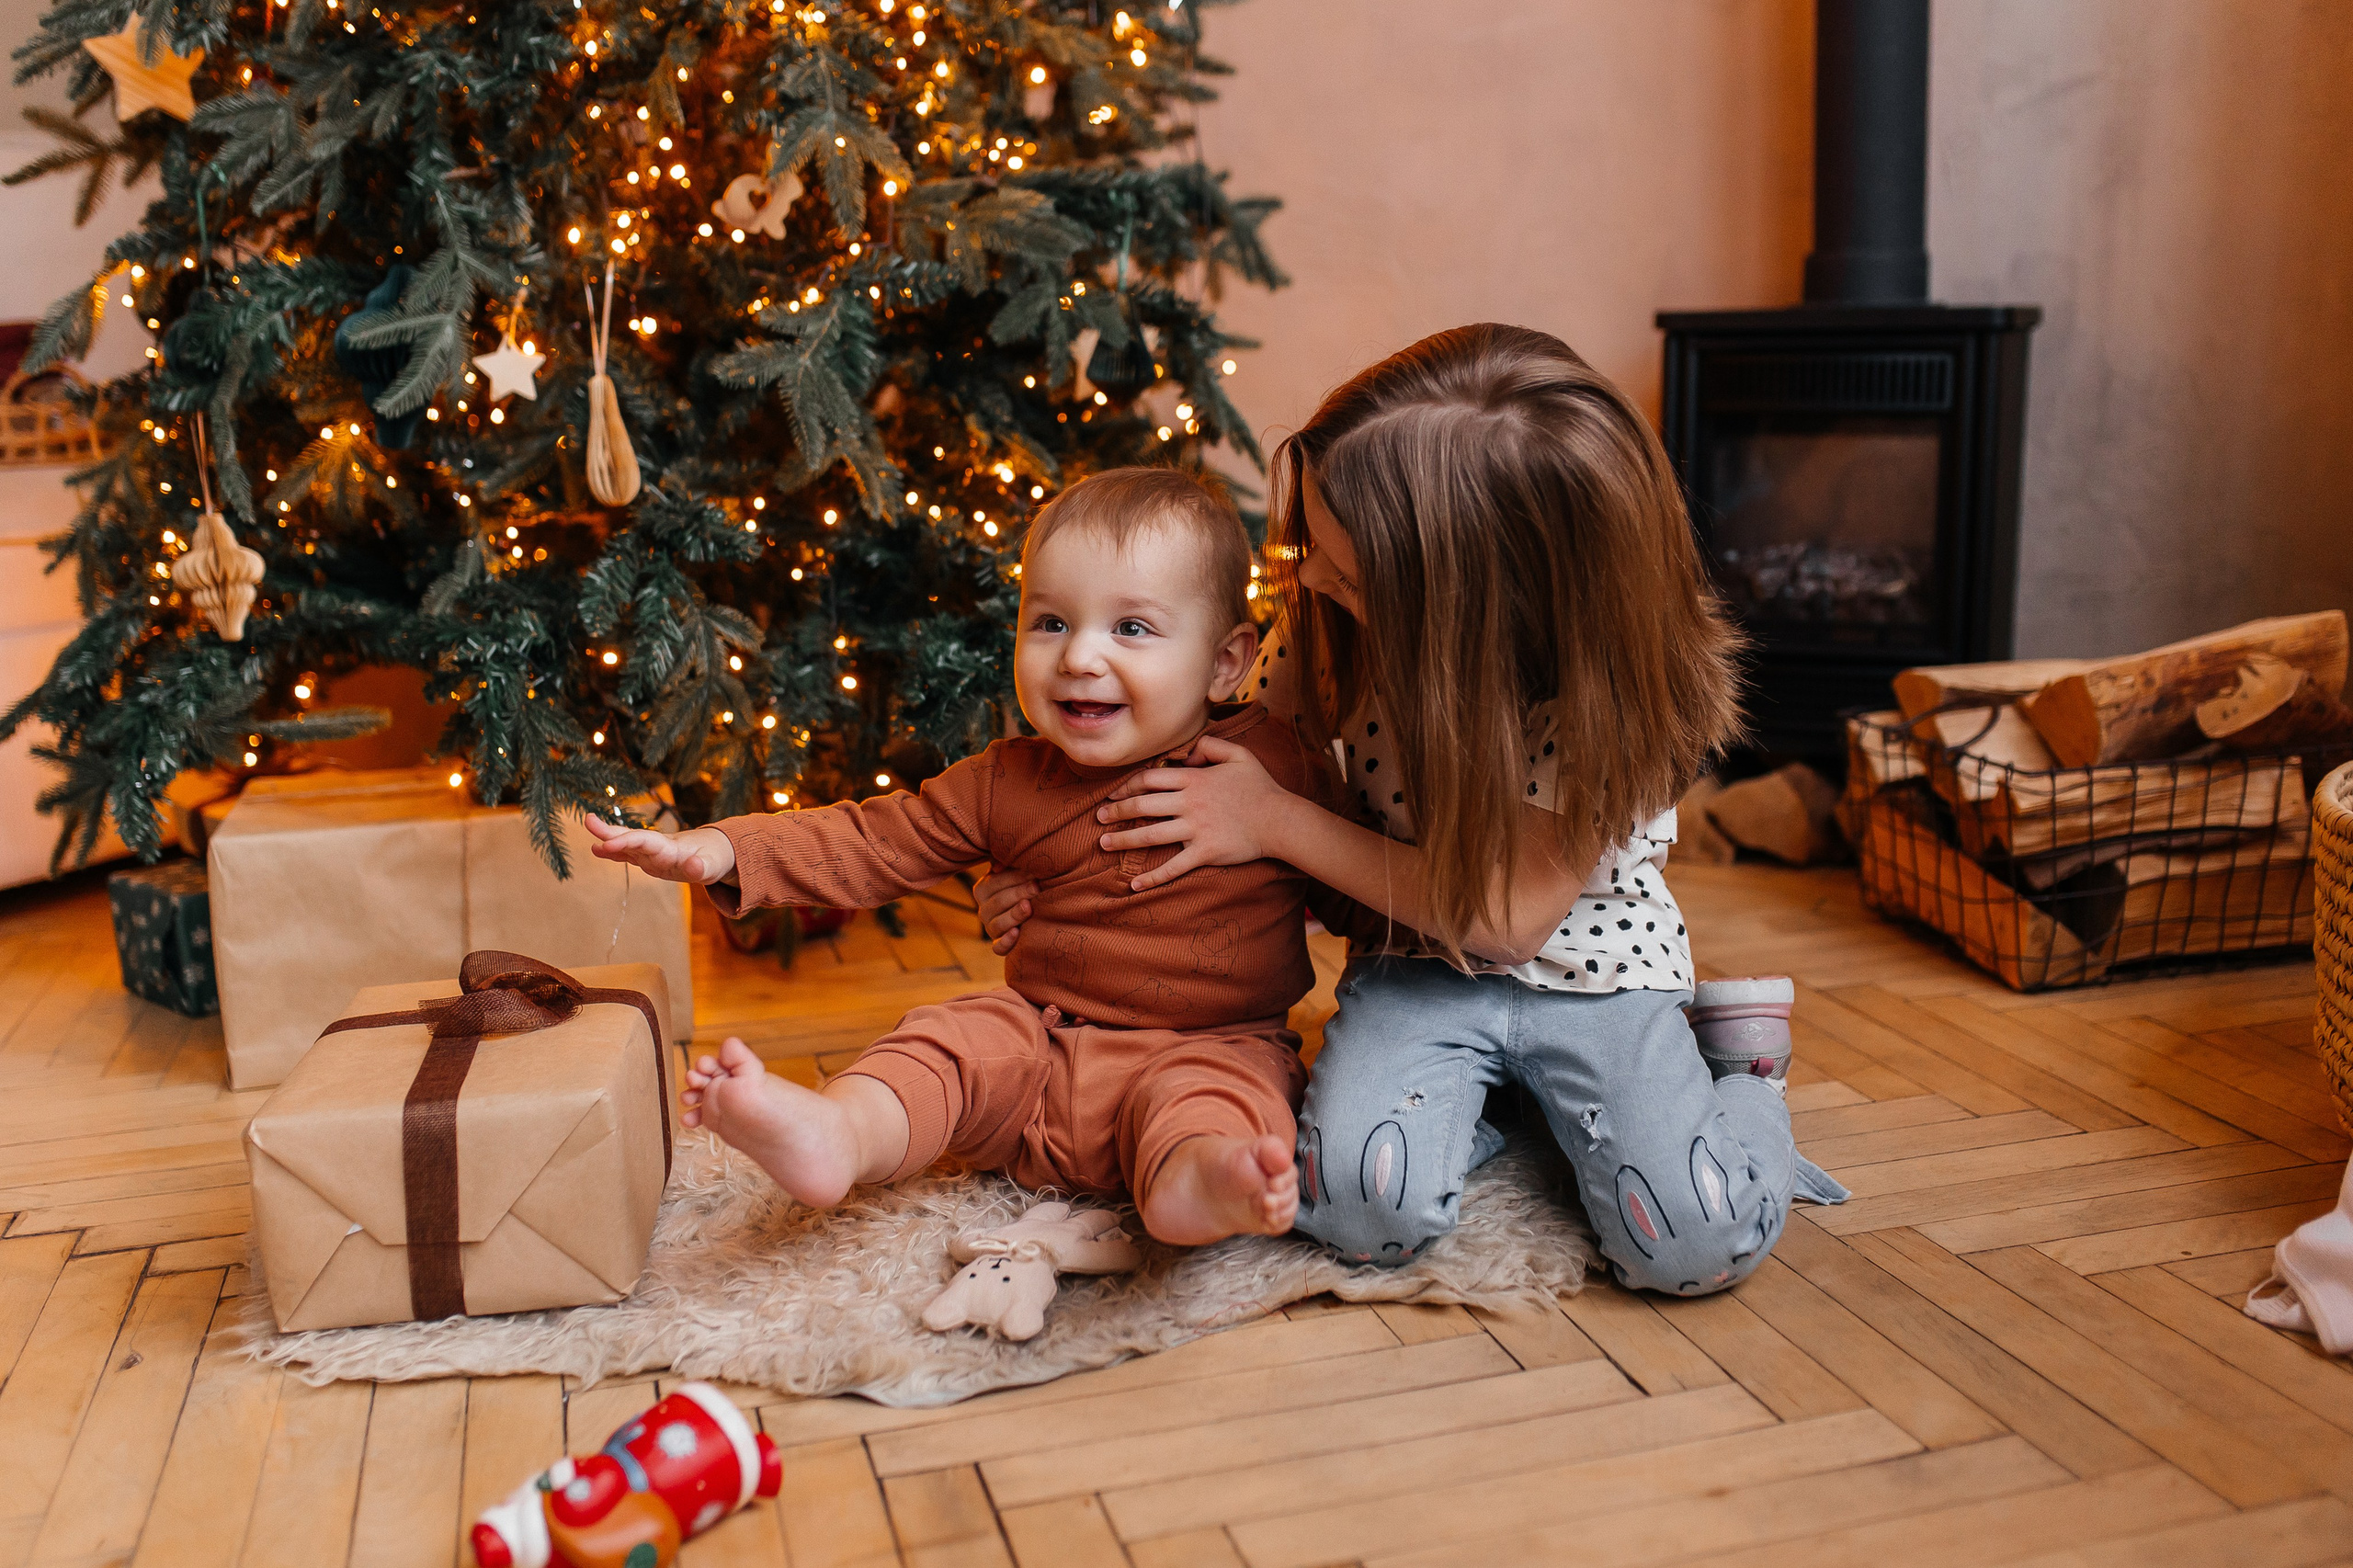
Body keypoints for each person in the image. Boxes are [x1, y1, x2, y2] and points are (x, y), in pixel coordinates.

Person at [977, 324, 1845, 1296]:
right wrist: (1048, 866)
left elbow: (1503, 920)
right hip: (1417, 963)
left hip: (1599, 975)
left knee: (1688, 1245)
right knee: (1352, 1209)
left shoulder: (1622, 694)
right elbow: (1193, 768)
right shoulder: (1328, 632)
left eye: (1343, 572)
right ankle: (1498, 1109)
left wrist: (1274, 822)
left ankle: (1742, 1075)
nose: (1305, 579)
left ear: (1464, 608)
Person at [584, 467, 1356, 1247]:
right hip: (1037, 1045)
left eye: (1131, 629)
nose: (1080, 657)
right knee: (947, 1043)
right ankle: (842, 1131)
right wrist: (725, 847)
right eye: (1051, 622)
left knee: (1226, 1096)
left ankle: (1201, 1180)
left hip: (1206, 1047)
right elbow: (876, 839)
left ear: (1226, 662)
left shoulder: (1272, 769)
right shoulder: (1008, 779)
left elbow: (1364, 894)